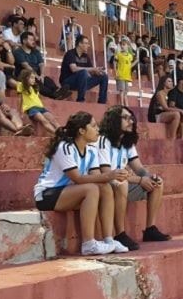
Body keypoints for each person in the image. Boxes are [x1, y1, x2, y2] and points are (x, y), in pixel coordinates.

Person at [33, 111, 129, 255]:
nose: (98, 130)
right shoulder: (64, 147)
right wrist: (110, 174)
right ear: (82, 131)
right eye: (94, 126)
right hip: (47, 194)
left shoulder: (90, 150)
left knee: (105, 187)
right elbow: (77, 178)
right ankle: (88, 243)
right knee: (91, 189)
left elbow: (98, 177)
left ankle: (109, 239)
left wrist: (112, 177)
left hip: (69, 192)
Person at [97, 105, 171, 249]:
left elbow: (139, 168)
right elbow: (107, 173)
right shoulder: (103, 141)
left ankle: (150, 229)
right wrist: (139, 180)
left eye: (131, 118)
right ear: (113, 120)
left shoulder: (127, 142)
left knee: (157, 182)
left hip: (122, 183)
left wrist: (149, 176)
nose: (131, 121)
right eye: (125, 118)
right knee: (121, 184)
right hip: (105, 185)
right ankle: (119, 233)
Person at [0, 50, 33, 136]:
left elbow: (2, 93)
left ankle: (20, 128)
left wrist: (3, 104)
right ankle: (17, 131)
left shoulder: (1, 75)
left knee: (12, 111)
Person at [59, 35, 108, 104]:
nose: (88, 45)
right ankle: (80, 100)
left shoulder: (85, 56)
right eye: (86, 43)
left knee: (104, 76)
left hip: (82, 82)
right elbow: (74, 69)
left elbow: (91, 71)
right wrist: (92, 69)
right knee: (83, 73)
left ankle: (102, 102)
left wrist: (97, 71)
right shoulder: (70, 54)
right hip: (68, 82)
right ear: (80, 44)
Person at [17, 69, 59, 134]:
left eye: (34, 78)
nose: (34, 80)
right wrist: (20, 111)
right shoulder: (21, 85)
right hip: (32, 108)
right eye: (31, 78)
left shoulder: (35, 87)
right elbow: (20, 99)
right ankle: (56, 134)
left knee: (53, 120)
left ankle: (63, 133)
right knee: (44, 121)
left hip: (41, 108)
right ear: (26, 78)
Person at [114, 36, 133, 107]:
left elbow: (130, 63)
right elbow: (115, 63)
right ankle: (122, 104)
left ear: (127, 46)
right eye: (121, 44)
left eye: (124, 44)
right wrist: (116, 73)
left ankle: (126, 104)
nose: (122, 46)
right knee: (121, 90)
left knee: (125, 91)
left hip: (127, 75)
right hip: (120, 75)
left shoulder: (130, 56)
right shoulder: (118, 54)